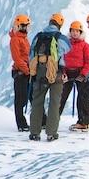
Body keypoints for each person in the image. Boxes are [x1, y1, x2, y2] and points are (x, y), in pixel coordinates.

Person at [28, 13, 70, 141]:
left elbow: (31, 54)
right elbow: (67, 49)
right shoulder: (61, 38)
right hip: (55, 72)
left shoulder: (38, 36)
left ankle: (35, 132)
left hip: (40, 71)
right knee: (54, 103)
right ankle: (51, 133)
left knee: (37, 102)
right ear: (60, 25)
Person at [58, 20, 89, 120]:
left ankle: (84, 121)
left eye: (77, 31)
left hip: (80, 72)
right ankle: (53, 120)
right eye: (73, 31)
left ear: (80, 33)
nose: (74, 33)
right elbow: (61, 58)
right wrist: (63, 72)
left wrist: (83, 74)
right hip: (67, 72)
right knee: (61, 97)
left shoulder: (85, 46)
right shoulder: (66, 44)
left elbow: (88, 62)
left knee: (82, 97)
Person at [9, 14, 31, 132]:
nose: (28, 28)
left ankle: (40, 120)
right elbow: (17, 58)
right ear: (22, 26)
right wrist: (27, 71)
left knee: (28, 96)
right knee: (20, 98)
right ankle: (21, 124)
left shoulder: (23, 39)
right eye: (27, 26)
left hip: (25, 71)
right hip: (21, 72)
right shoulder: (15, 40)